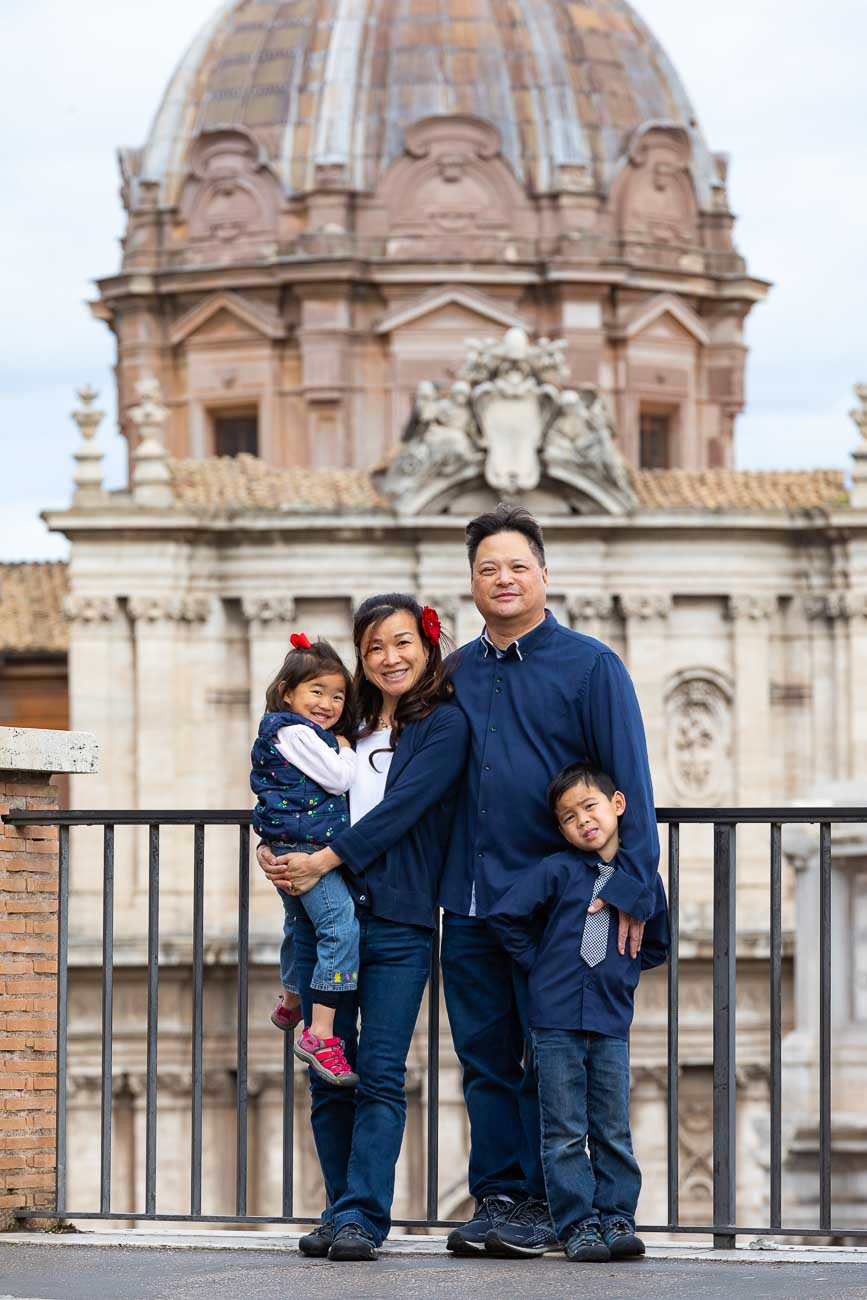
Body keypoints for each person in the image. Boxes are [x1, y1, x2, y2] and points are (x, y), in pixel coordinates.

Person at [440, 503, 662, 1256]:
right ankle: (499, 1197)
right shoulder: (454, 674)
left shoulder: (591, 664)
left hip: (560, 911)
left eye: (515, 566)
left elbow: (627, 778)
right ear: (471, 582)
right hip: (469, 900)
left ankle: (549, 1205)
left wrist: (632, 887)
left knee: (555, 1059)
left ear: (543, 574)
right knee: (482, 1058)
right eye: (486, 568)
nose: (502, 578)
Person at [256, 595, 469, 1262]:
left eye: (402, 643)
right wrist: (271, 849)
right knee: (329, 1072)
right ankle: (337, 1207)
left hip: (400, 916)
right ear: (361, 656)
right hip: (330, 915)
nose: (389, 657)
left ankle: (362, 1216)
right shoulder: (332, 723)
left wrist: (322, 858)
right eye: (375, 646)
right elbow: (283, 789)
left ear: (426, 647)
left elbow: (404, 808)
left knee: (378, 1071)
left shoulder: (442, 725)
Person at [485, 763, 669, 1262]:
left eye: (590, 807)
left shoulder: (642, 879)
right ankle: (577, 1224)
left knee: (613, 1126)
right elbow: (505, 915)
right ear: (561, 829)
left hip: (611, 1018)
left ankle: (618, 1219)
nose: (582, 821)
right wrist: (538, 964)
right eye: (568, 817)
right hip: (555, 1016)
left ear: (617, 805)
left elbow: (658, 944)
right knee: (563, 1128)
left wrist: (620, 969)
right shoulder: (557, 870)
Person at [250, 634, 359, 1085]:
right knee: (339, 928)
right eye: (317, 691)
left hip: (287, 843)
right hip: (309, 848)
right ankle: (321, 1033)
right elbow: (336, 779)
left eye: (337, 695)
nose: (328, 703)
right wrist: (346, 747)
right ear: (286, 693)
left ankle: (293, 997)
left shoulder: (280, 730)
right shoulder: (295, 732)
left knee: (300, 927)